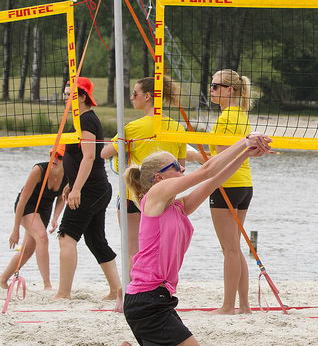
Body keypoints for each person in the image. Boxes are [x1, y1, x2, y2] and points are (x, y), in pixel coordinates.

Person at [84, 133, 273, 346]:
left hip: (156, 300)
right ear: (159, 177)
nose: (182, 168)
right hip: (147, 301)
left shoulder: (177, 207)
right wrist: (245, 141)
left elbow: (214, 179)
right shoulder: (154, 195)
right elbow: (206, 170)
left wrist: (245, 155)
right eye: (175, 166)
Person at [101, 76, 187, 273]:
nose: (132, 98)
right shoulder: (178, 128)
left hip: (134, 195)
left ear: (147, 96)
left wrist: (121, 150)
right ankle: (156, 285)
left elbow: (104, 153)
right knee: (159, 250)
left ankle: (133, 288)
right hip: (165, 196)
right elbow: (181, 167)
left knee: (133, 250)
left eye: (135, 93)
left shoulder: (132, 128)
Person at [189, 69, 254, 314]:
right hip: (244, 184)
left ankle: (228, 306)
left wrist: (200, 160)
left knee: (230, 249)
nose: (211, 90)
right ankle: (244, 305)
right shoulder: (241, 115)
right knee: (235, 247)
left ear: (230, 90)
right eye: (211, 85)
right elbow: (228, 153)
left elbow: (222, 158)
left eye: (216, 86)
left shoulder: (227, 117)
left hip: (227, 183)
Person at [54, 77, 121, 300]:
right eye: (65, 94)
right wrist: (70, 184)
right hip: (93, 188)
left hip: (91, 190)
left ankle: (63, 293)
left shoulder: (87, 120)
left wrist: (77, 190)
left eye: (70, 94)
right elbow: (76, 158)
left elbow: (89, 156)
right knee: (95, 240)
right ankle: (116, 290)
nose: (65, 98)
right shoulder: (79, 120)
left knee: (66, 236)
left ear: (82, 97)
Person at [1, 146, 68, 290]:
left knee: (27, 250)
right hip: (27, 206)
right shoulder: (39, 170)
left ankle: (2, 279)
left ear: (67, 159)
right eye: (52, 155)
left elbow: (62, 198)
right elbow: (22, 200)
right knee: (42, 237)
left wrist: (55, 218)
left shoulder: (68, 174)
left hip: (44, 209)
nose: (54, 159)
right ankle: (47, 285)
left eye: (59, 157)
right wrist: (15, 230)